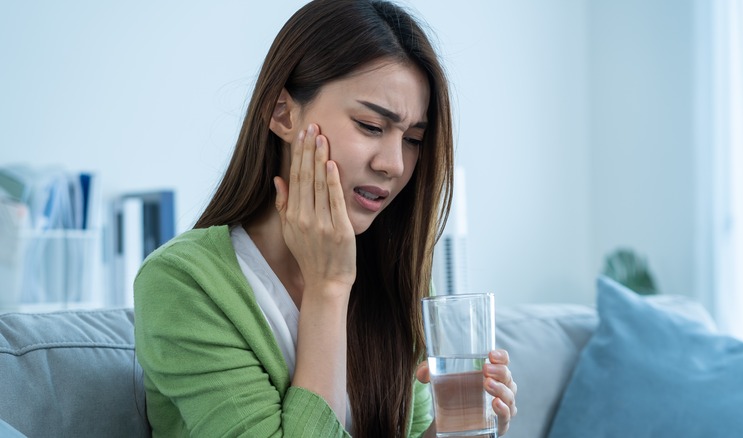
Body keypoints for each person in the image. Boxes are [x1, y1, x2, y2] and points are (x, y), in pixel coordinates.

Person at [133, 0, 518, 436]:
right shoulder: (182, 283)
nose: (394, 163)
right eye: (371, 126)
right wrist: (327, 288)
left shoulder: (398, 273)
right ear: (282, 113)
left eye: (413, 139)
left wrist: (454, 430)